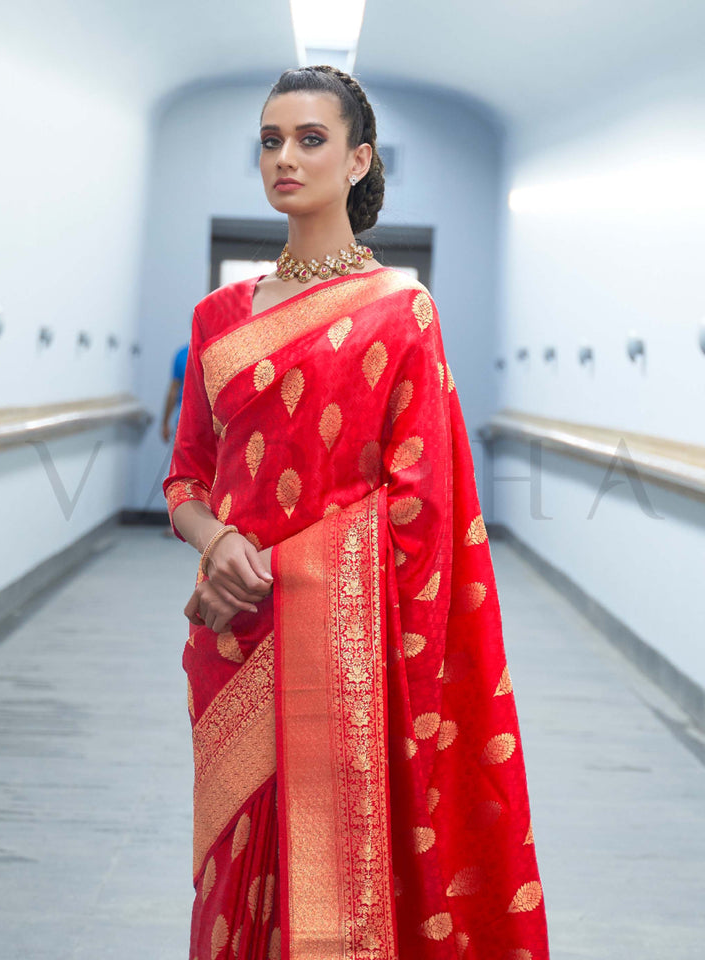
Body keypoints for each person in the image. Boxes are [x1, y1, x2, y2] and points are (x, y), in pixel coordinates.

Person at [163, 65, 550, 960]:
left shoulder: (401, 312)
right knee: (233, 877)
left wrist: (280, 572)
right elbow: (186, 482)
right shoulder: (218, 318)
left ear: (359, 158)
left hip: (344, 658)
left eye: (310, 139)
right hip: (232, 641)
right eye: (270, 140)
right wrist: (216, 541)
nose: (285, 158)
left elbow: (425, 512)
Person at [161, 342, 189, 443]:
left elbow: (173, 391)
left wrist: (165, 423)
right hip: (187, 427)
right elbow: (173, 392)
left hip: (185, 425)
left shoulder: (182, 354)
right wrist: (165, 422)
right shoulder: (218, 351)